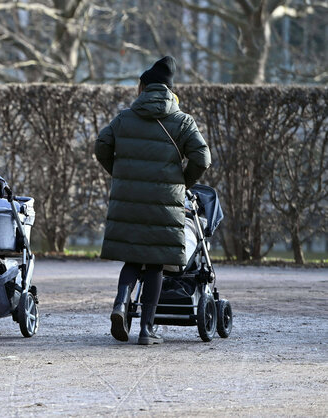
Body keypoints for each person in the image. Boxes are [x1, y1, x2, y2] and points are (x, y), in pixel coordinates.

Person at [95, 56, 211, 345]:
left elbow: (101, 145)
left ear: (143, 87)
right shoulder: (182, 121)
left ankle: (121, 304)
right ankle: (147, 330)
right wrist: (183, 183)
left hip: (129, 198)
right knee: (156, 264)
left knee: (133, 257)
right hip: (164, 201)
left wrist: (119, 174)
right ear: (170, 90)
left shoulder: (124, 117)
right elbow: (203, 158)